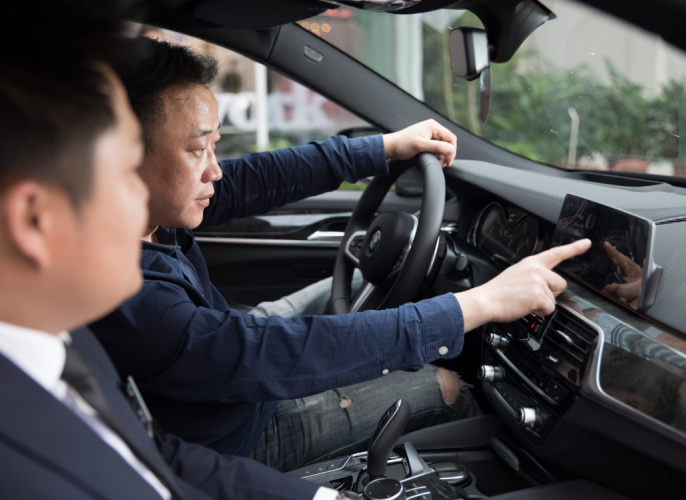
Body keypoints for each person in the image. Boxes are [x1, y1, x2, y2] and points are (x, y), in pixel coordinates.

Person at [89, 37, 592, 473]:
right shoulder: (130, 296)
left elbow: (250, 180)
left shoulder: (150, 212)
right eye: (198, 149)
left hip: (231, 367)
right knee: (448, 388)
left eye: (216, 147)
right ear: (123, 155)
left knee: (354, 288)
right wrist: (479, 304)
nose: (216, 171)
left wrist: (382, 148)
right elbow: (274, 353)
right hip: (235, 436)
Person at [0, 2, 343, 498]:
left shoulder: (66, 343)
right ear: (35, 220)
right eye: (125, 171)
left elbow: (159, 457)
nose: (142, 197)